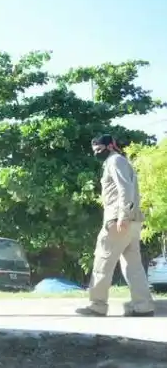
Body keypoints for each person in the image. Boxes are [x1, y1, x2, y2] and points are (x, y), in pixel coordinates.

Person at [75, 134, 154, 317]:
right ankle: (143, 306)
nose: (96, 153)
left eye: (99, 149)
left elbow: (124, 189)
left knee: (103, 260)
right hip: (132, 222)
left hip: (119, 220)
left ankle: (97, 305)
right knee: (133, 266)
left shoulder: (114, 161)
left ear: (110, 146)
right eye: (94, 150)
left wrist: (122, 216)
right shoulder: (121, 161)